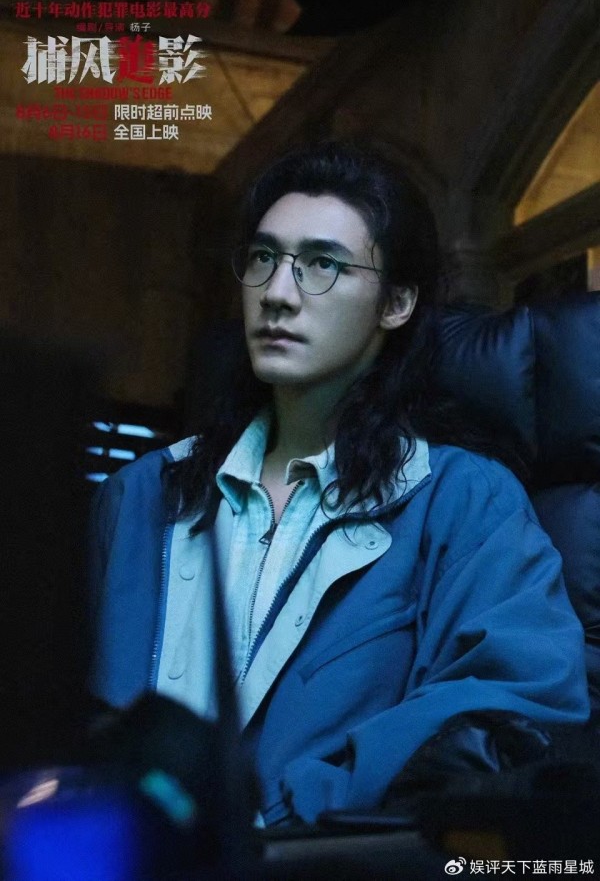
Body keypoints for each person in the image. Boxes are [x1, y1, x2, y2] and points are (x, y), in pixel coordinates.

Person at [89, 139, 589, 827]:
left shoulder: (464, 502)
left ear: (397, 302)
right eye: (263, 258)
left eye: (322, 264)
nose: (277, 294)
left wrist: (292, 815)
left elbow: (517, 702)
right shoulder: (141, 494)